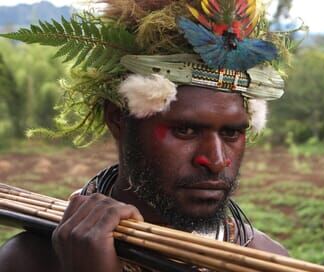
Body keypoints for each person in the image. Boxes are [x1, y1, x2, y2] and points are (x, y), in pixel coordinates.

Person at [0, 0, 296, 271]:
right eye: (185, 130)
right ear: (118, 119)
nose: (216, 160)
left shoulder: (266, 261)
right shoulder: (30, 261)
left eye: (231, 132)